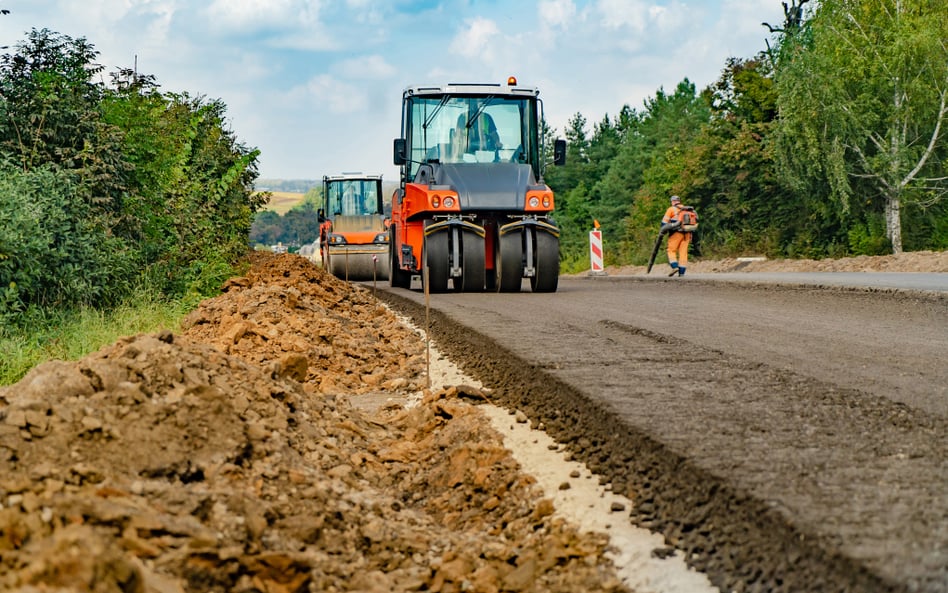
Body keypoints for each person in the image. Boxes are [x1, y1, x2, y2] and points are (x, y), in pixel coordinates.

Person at [661, 195, 697, 276]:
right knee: (683, 253)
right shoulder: (688, 210)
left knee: (671, 250)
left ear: (672, 201)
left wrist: (663, 231)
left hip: (676, 233)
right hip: (687, 233)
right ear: (679, 201)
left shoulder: (671, 209)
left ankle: (674, 266)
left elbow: (664, 223)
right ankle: (682, 273)